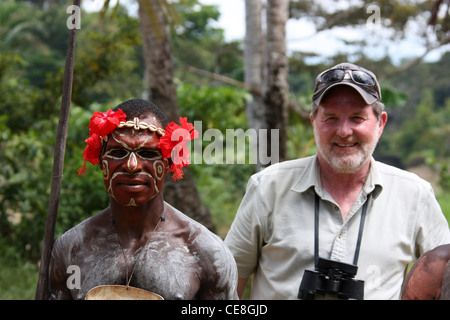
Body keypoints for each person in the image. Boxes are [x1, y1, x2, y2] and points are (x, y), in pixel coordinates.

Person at [224, 62, 450, 300]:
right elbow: (228, 284)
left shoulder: (415, 194)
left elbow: (444, 273)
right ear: (313, 122)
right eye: (331, 118)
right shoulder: (267, 187)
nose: (343, 131)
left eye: (357, 118)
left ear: (380, 123)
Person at [49, 99, 238, 300]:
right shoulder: (72, 250)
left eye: (148, 153)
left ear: (168, 163)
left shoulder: (205, 253)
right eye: (119, 152)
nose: (132, 165)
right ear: (102, 161)